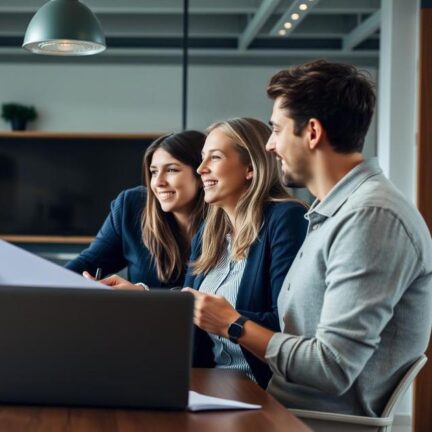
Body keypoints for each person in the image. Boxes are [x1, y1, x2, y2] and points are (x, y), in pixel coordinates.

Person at [185, 60, 432, 416]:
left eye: (276, 130)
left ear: (312, 132)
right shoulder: (331, 213)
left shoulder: (371, 216)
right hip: (280, 406)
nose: (269, 145)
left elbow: (332, 368)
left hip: (306, 420)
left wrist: (232, 324)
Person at [95, 118, 308, 387]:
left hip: (260, 389)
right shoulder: (211, 230)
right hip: (210, 382)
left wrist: (229, 320)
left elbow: (285, 327)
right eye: (202, 158)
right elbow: (192, 307)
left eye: (214, 158)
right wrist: (143, 297)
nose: (201, 168)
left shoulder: (286, 218)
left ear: (250, 168)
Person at [66, 131, 207, 288]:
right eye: (154, 172)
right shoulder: (131, 206)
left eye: (171, 170)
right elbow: (89, 263)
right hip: (140, 313)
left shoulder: (224, 219)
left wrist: (143, 293)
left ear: (202, 175)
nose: (158, 182)